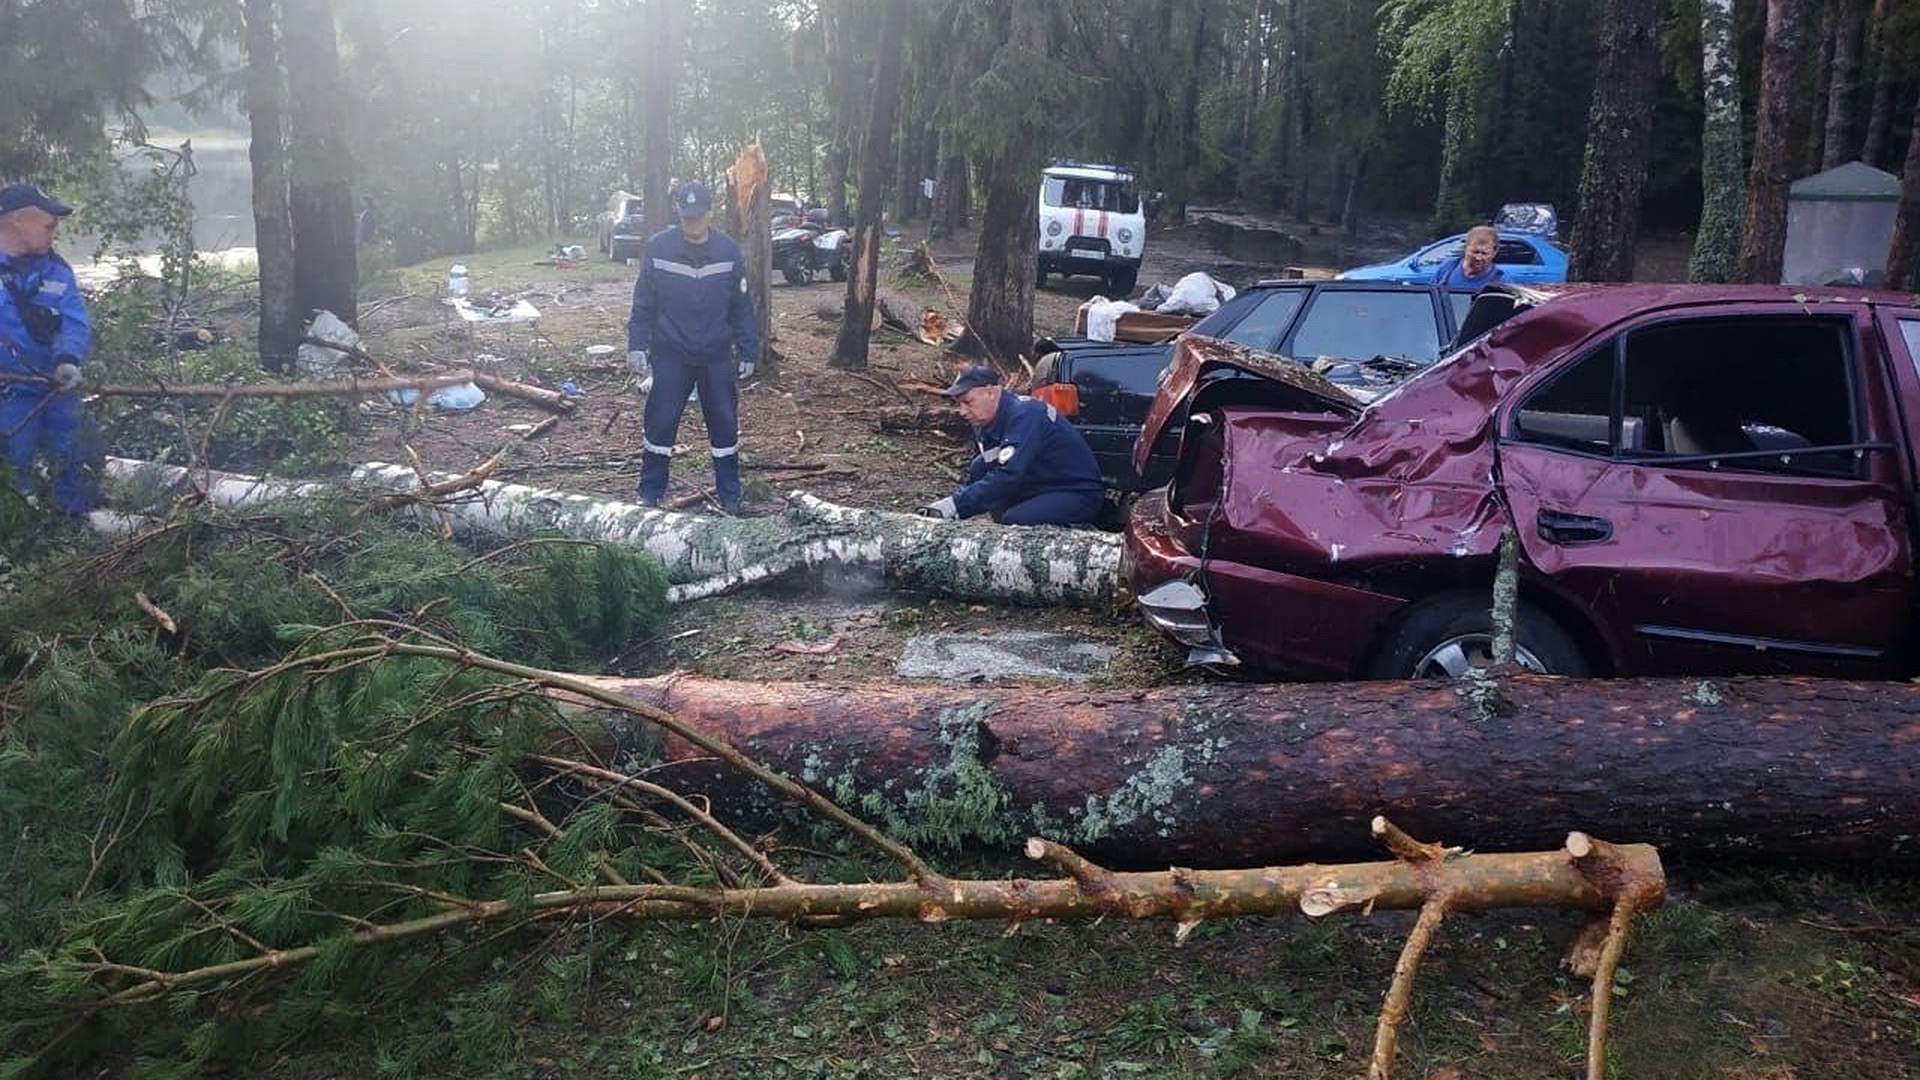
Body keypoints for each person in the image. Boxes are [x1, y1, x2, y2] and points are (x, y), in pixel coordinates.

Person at [626, 180, 759, 511]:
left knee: (725, 425)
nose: (692, 224)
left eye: (698, 217)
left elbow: (741, 306)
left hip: (716, 355)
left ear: (710, 214)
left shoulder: (728, 251)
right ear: (679, 215)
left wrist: (748, 349)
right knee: (660, 422)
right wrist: (637, 344)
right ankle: (650, 492)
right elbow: (643, 302)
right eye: (686, 218)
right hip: (671, 353)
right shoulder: (659, 248)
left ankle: (730, 495)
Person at [0, 183, 97, 517]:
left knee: (74, 454)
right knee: (14, 469)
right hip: (8, 394)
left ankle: (72, 527)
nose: (54, 234)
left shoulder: (57, 270)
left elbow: (74, 322)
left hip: (55, 388)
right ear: (17, 222)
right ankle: (20, 539)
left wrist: (68, 359)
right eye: (48, 226)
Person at [918, 366, 1103, 527]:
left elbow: (1008, 475)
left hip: (1074, 492)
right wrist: (955, 511)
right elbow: (988, 472)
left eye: (968, 402)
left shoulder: (1026, 415)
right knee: (979, 466)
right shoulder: (985, 422)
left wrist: (953, 505)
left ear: (990, 392)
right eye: (959, 404)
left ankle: (1073, 538)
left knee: (1016, 519)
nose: (962, 412)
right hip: (1037, 485)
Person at [1432, 224, 1504, 290]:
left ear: (1494, 253)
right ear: (1465, 248)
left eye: (1484, 254)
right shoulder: (1447, 269)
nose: (1478, 258)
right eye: (1475, 252)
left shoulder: (1501, 282)